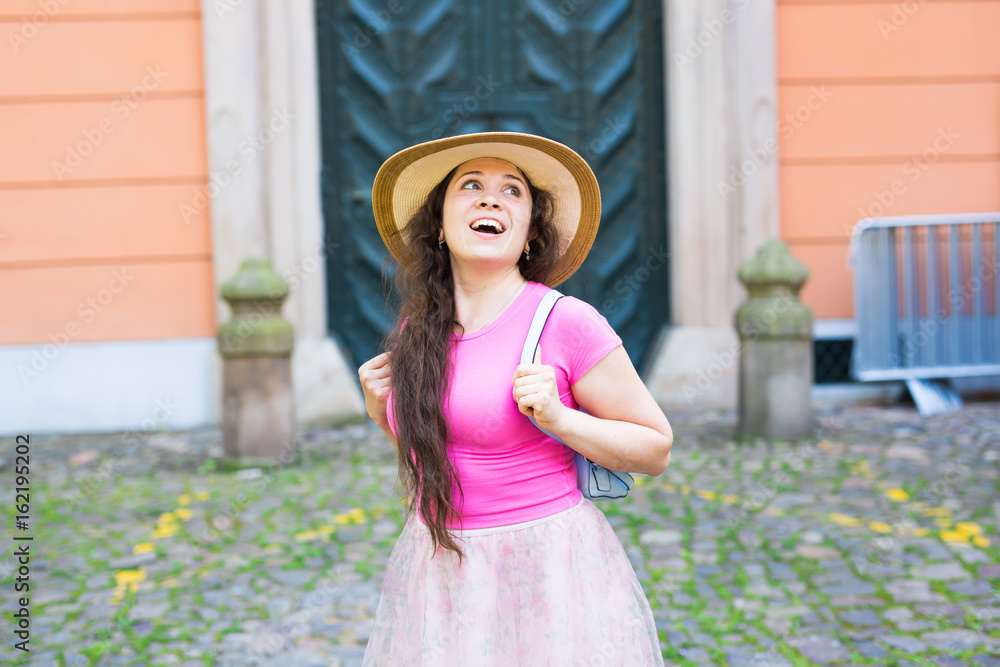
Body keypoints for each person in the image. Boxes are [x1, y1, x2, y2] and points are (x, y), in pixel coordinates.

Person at [357, 131, 672, 665]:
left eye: (511, 190)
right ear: (439, 226)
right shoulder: (417, 330)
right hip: (440, 566)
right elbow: (440, 459)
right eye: (470, 186)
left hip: (541, 567)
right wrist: (382, 413)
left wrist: (560, 419)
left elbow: (656, 449)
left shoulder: (565, 321)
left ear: (529, 234)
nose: (490, 200)